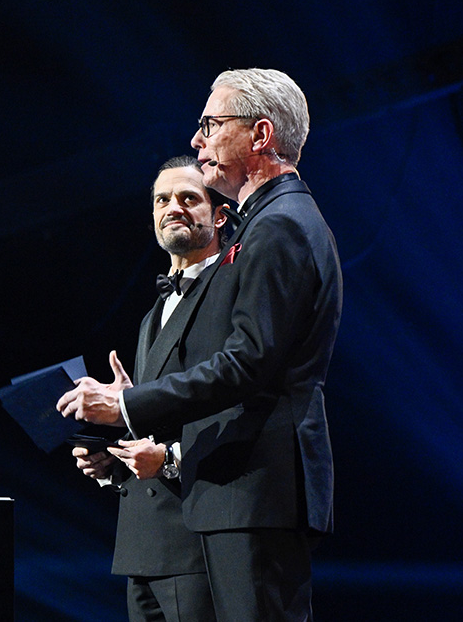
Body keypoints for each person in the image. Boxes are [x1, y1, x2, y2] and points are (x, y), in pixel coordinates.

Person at [58, 68, 343, 621]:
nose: (198, 140)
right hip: (244, 489)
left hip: (258, 488)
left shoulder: (279, 224)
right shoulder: (270, 221)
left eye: (211, 124)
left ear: (260, 136)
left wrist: (125, 405)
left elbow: (247, 362)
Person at [73, 155, 229, 621]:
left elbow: (231, 397)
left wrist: (163, 452)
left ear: (219, 215)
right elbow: (160, 419)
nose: (173, 207)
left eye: (188, 198)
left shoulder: (230, 289)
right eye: (162, 199)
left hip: (193, 541)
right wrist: (113, 456)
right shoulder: (151, 315)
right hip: (144, 543)